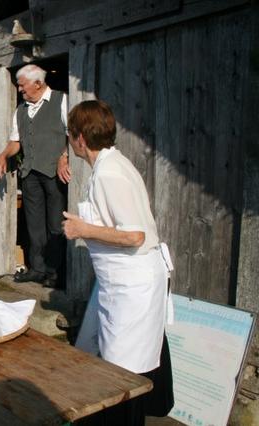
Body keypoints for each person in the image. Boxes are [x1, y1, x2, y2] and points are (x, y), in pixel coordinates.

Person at [62, 100, 173, 425]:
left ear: (81, 138)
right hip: (120, 283)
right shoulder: (111, 166)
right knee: (114, 362)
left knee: (124, 372)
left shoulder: (111, 172)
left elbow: (134, 235)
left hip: (133, 285)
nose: (70, 141)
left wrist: (82, 229)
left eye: (70, 135)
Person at [0, 64, 68, 287]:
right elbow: (16, 141)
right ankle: (37, 269)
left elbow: (72, 134)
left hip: (54, 173)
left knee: (56, 224)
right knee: (34, 225)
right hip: (30, 174)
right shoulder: (21, 110)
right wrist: (3, 155)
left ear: (38, 83)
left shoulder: (61, 100)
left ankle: (54, 273)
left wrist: (64, 157)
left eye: (22, 85)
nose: (19, 89)